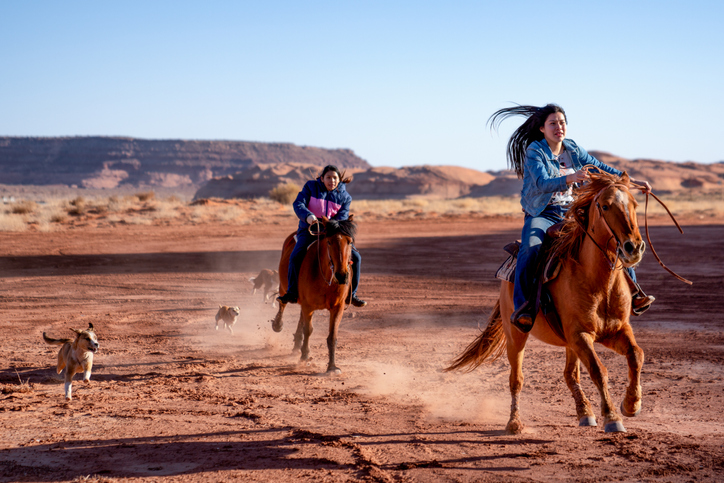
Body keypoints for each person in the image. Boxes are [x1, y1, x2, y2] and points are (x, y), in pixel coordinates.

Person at [488, 104, 655, 333]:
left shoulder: (572, 148)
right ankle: (523, 307)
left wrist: (633, 182)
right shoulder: (535, 151)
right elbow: (541, 182)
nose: (559, 127)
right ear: (542, 128)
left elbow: (600, 167)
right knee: (531, 248)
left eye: (562, 122)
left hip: (570, 213)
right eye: (553, 123)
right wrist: (571, 178)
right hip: (542, 214)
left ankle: (634, 291)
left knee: (610, 236)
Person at [276, 164, 367, 307]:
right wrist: (308, 217)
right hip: (309, 230)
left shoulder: (345, 197)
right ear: (322, 178)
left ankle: (352, 294)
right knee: (296, 254)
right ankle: (292, 292)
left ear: (339, 179)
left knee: (356, 257)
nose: (332, 180)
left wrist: (329, 226)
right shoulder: (310, 188)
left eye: (335, 178)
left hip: (332, 233)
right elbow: (298, 203)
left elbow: (342, 218)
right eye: (328, 177)